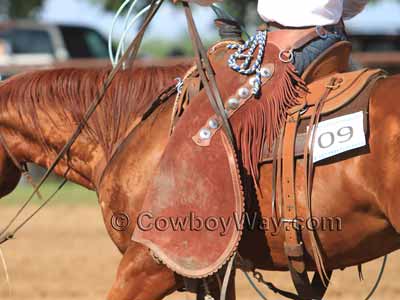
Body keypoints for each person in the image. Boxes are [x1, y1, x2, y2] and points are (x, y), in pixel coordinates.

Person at [173, 0, 368, 74]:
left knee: (221, 104)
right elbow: (356, 2)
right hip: (333, 41)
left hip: (288, 46)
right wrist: (326, 11)